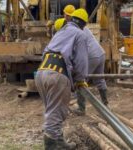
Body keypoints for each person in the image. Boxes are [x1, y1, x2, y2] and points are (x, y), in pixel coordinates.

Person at [35, 8, 89, 150]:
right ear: (84, 24)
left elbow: (46, 51)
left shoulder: (60, 32)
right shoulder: (80, 34)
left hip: (41, 72)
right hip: (57, 74)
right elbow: (81, 61)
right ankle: (52, 145)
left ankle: (58, 141)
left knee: (51, 110)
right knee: (57, 112)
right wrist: (80, 80)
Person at [74, 27, 108, 115]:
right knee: (100, 79)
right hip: (100, 53)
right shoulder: (84, 28)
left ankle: (81, 109)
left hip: (91, 56)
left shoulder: (72, 31)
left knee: (80, 80)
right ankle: (106, 105)